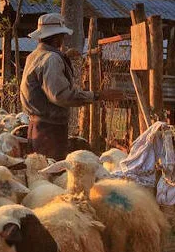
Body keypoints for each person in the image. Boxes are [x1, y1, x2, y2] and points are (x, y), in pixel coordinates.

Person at [20, 13, 124, 160]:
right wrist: (97, 95)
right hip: (50, 131)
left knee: (40, 173)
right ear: (57, 37)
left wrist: (64, 57)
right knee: (52, 173)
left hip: (36, 126)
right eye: (62, 36)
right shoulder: (52, 59)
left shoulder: (35, 56)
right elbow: (61, 96)